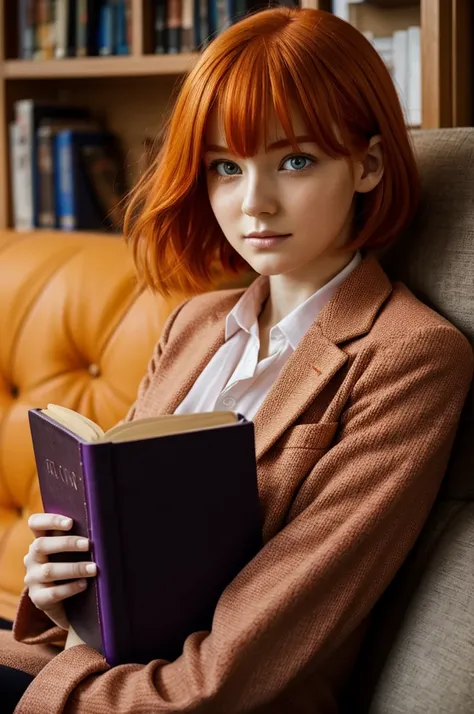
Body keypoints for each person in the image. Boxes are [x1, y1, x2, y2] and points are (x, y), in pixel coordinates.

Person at [1, 6, 472, 713]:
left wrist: (56, 692)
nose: (255, 203)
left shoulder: (409, 356)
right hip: (76, 660)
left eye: (295, 161)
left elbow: (249, 661)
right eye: (225, 167)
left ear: (368, 164)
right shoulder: (197, 323)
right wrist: (56, 583)